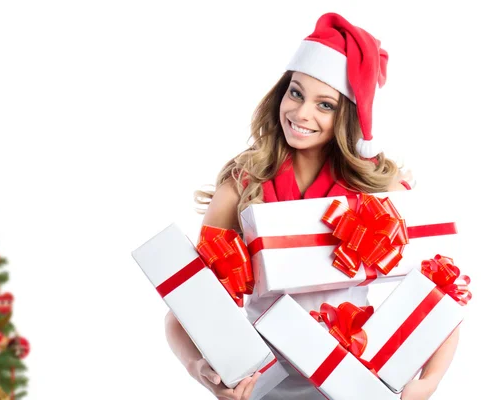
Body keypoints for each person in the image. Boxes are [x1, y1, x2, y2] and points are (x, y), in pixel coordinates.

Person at [165, 12, 457, 400]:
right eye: (296, 93)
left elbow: (439, 295)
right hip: (261, 386)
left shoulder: (380, 192)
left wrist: (429, 381)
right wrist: (199, 368)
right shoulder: (242, 186)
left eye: (325, 105)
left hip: (356, 383)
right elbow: (185, 308)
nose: (301, 114)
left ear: (348, 117)